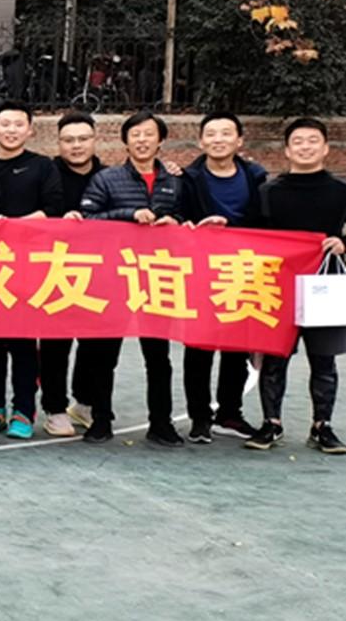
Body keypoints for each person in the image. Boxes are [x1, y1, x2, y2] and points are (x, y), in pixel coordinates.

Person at [76, 110, 187, 447]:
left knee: (158, 357)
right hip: (113, 278)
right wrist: (129, 215)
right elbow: (88, 218)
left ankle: (161, 423)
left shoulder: (175, 180)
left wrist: (175, 221)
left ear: (160, 140)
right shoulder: (106, 179)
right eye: (135, 134)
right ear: (125, 141)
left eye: (148, 134)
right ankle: (100, 420)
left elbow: (187, 217)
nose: (142, 140)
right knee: (103, 355)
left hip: (157, 279)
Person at [243, 118, 345, 454]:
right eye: (298, 141)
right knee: (275, 357)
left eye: (312, 140)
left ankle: (322, 426)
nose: (305, 147)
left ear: (326, 148)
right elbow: (249, 236)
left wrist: (343, 243)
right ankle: (271, 423)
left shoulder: (341, 192)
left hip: (324, 286)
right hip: (278, 287)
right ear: (286, 150)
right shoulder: (268, 192)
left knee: (324, 358)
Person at [177, 112, 265, 442]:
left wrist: (234, 228)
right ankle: (200, 417)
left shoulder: (256, 176)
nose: (218, 139)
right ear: (201, 141)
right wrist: (187, 225)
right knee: (198, 347)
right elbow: (177, 215)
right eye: (211, 134)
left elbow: (266, 220)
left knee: (236, 347)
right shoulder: (188, 177)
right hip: (200, 271)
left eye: (226, 133)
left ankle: (230, 413)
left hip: (243, 270)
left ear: (239, 140)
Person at [0, 100, 61, 440]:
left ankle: (23, 410)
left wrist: (13, 226)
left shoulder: (43, 166)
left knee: (24, 344)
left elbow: (53, 208)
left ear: (30, 130)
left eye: (18, 124)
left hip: (31, 268)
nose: (11, 130)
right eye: (5, 124)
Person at [43, 112, 104, 437]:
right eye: (69, 140)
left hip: (99, 271)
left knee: (94, 343)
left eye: (83, 139)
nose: (76, 145)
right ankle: (54, 408)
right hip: (54, 269)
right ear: (59, 143)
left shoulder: (110, 176)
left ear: (95, 140)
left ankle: (84, 402)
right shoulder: (46, 174)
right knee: (55, 344)